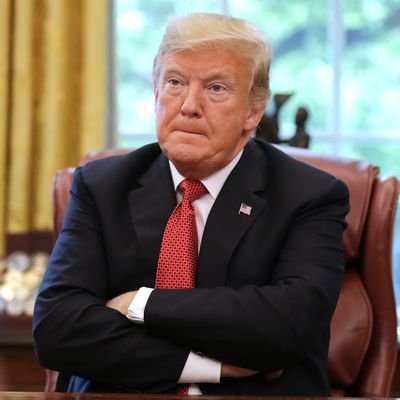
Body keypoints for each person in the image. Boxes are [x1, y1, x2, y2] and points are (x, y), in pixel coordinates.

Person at [33, 12, 349, 396]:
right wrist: (210, 367)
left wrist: (139, 303)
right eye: (175, 82)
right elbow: (57, 330)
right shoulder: (102, 186)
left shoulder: (309, 195)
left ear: (253, 111)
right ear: (155, 92)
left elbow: (289, 324)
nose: (189, 105)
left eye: (215, 88)